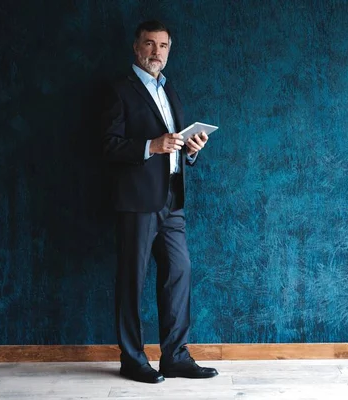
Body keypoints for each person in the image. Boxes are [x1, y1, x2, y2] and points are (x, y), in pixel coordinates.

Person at [102, 20, 217, 384]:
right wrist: (153, 145)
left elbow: (175, 145)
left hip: (171, 197)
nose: (157, 52)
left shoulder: (170, 91)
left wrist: (191, 150)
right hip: (137, 202)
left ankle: (175, 357)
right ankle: (132, 360)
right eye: (150, 45)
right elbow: (107, 144)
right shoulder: (118, 90)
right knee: (132, 281)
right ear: (136, 48)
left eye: (163, 46)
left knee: (179, 274)